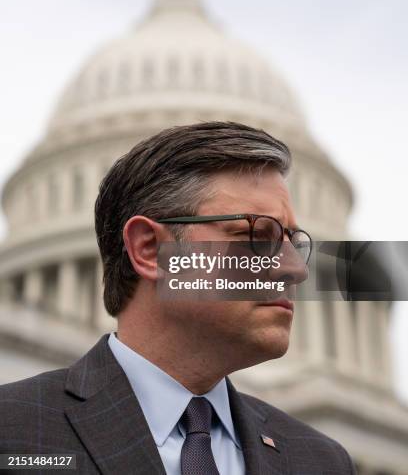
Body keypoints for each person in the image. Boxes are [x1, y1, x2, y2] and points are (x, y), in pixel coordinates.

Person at [0, 121, 356, 474]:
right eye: (259, 235)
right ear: (150, 248)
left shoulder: (322, 462)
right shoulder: (13, 430)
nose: (295, 270)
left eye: (294, 244)